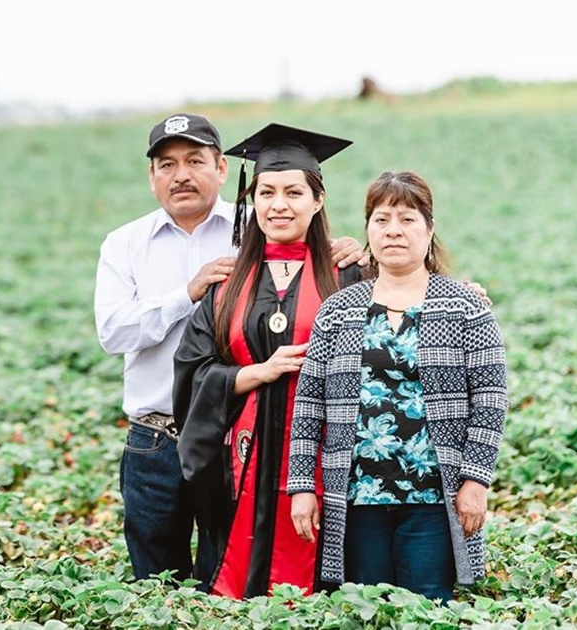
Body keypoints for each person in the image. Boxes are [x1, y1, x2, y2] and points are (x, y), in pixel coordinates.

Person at [95, 114, 364, 588]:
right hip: (160, 438)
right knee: (161, 580)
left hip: (254, 448)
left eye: (195, 160)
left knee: (240, 562)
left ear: (222, 169)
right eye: (167, 164)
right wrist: (189, 293)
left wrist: (354, 253)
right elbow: (114, 333)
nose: (181, 174)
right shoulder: (126, 244)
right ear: (152, 175)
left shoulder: (252, 233)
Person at [287, 170, 508, 601]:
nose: (393, 231)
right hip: (356, 497)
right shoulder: (339, 310)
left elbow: (490, 401)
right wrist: (301, 487)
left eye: (407, 219)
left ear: (429, 228)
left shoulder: (465, 306)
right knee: (365, 606)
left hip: (432, 497)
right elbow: (309, 404)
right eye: (382, 219)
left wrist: (475, 481)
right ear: (368, 229)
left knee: (427, 605)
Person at [172, 122, 363, 598]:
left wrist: (468, 296)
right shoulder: (227, 283)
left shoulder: (351, 275)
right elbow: (192, 371)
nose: (279, 205)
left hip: (326, 459)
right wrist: (253, 373)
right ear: (251, 200)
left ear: (317, 201)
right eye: (267, 192)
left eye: (294, 192)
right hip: (241, 463)